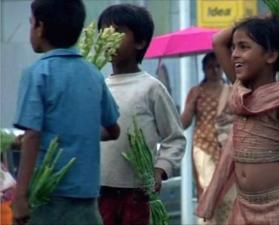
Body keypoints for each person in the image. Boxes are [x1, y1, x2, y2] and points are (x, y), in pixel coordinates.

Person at [196, 11, 279, 225]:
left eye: (244, 47)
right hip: (244, 204)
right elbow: (218, 41)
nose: (235, 54)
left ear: (271, 56)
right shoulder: (239, 90)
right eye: (234, 47)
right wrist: (266, 18)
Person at [12, 1, 120, 225]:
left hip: (47, 197)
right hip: (87, 200)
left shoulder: (38, 73)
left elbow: (32, 135)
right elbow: (113, 130)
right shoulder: (93, 74)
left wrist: (20, 196)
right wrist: (81, 130)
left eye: (31, 23)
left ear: (40, 27)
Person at [97, 4, 186, 225]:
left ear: (140, 42)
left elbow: (175, 138)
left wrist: (160, 170)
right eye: (103, 32)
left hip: (138, 194)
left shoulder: (151, 88)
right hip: (99, 192)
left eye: (117, 32)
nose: (109, 38)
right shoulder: (98, 86)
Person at [181, 52, 235, 225]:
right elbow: (184, 123)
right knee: (208, 191)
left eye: (218, 66)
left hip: (228, 148)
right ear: (204, 69)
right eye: (210, 66)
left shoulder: (232, 91)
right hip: (203, 147)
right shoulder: (196, 92)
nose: (215, 70)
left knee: (229, 195)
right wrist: (190, 104)